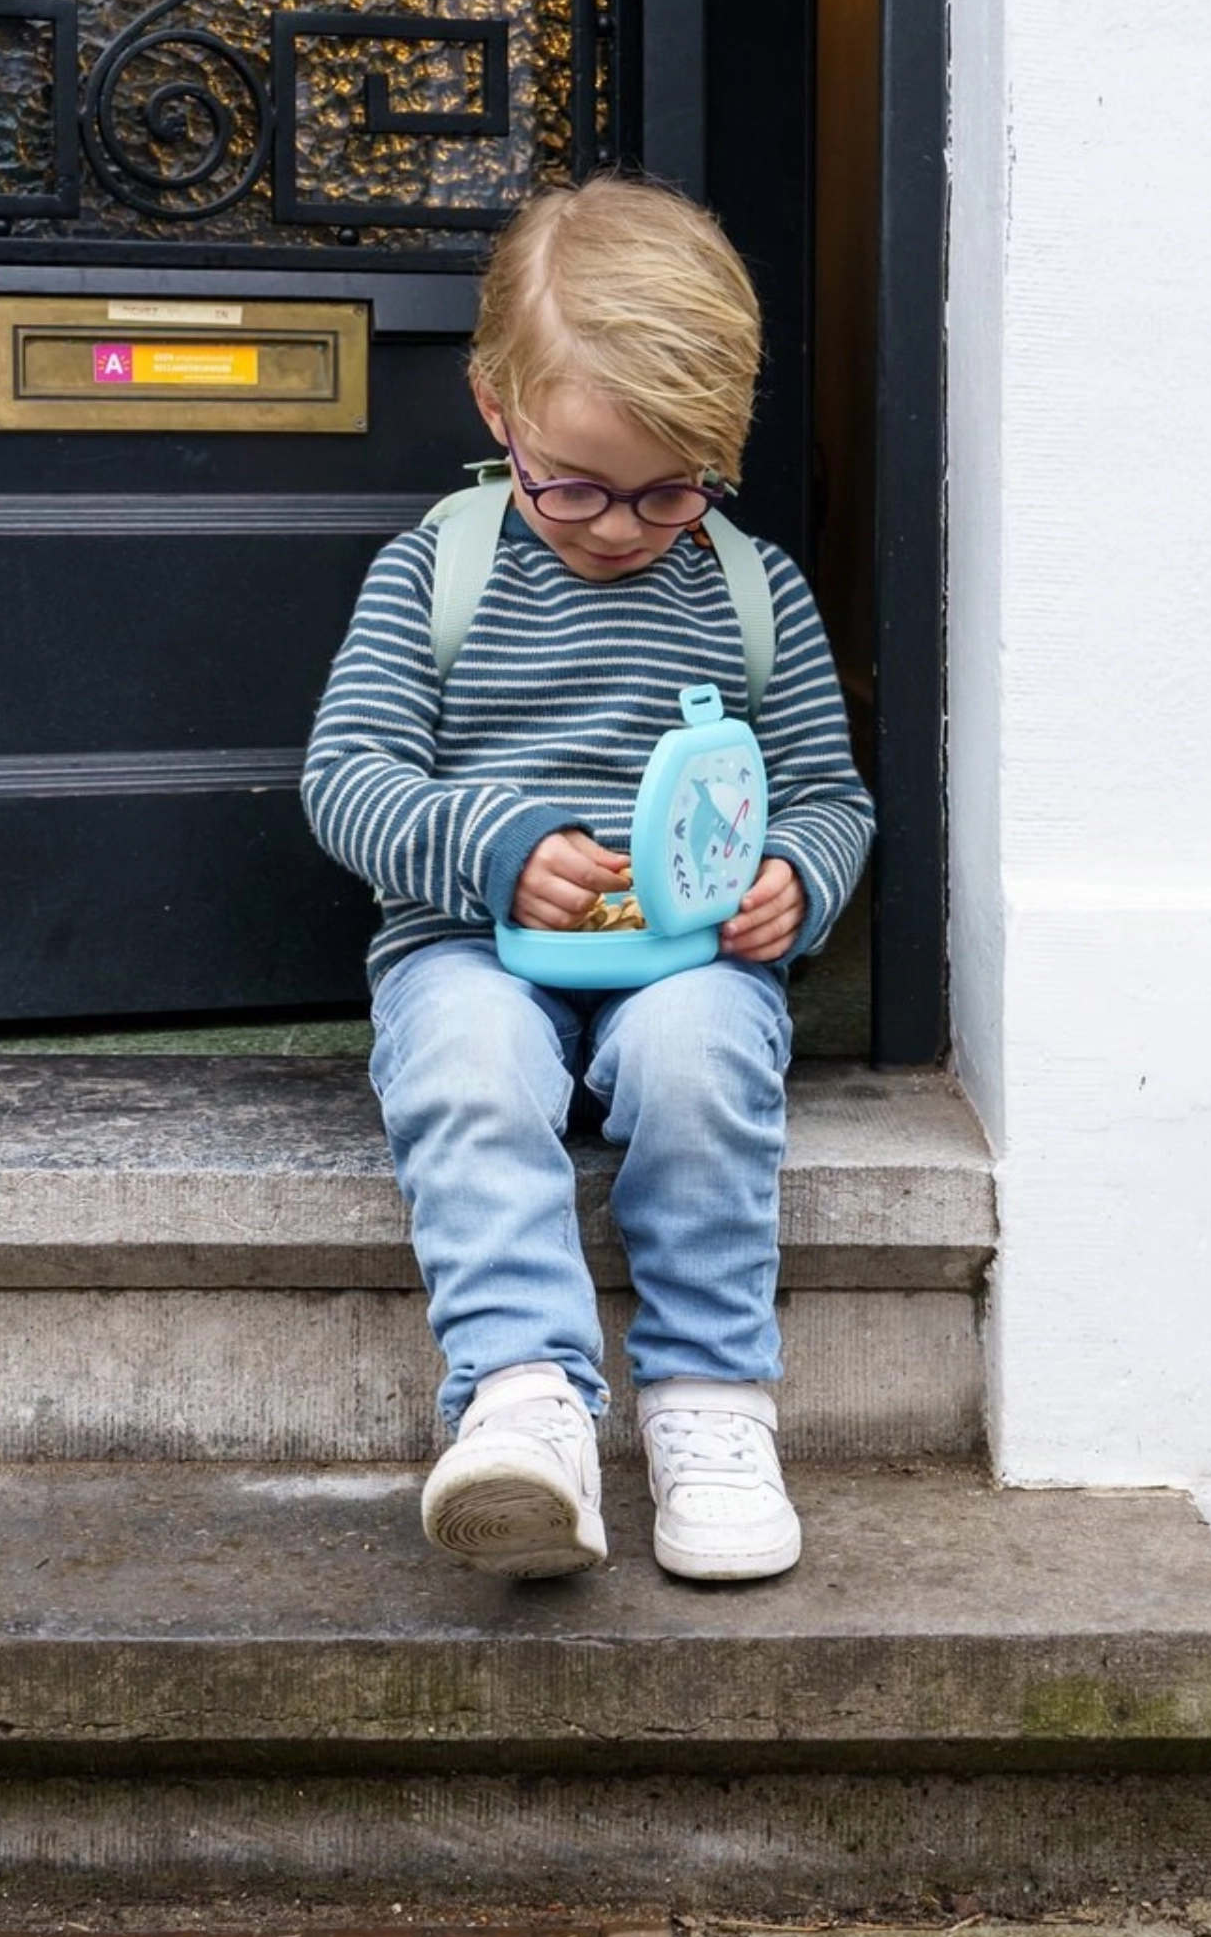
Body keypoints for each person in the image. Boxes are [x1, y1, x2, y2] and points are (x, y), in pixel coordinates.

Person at [302, 175, 874, 1583]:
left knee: (701, 1056)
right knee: (473, 1062)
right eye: (576, 484)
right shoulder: (436, 572)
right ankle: (523, 1401)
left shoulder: (752, 591)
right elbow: (348, 779)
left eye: (670, 489)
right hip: (471, 944)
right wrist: (492, 851)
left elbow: (826, 791)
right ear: (498, 406)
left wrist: (798, 876)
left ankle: (711, 1406)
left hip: (683, 954)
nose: (619, 525)